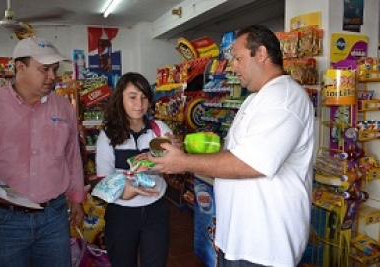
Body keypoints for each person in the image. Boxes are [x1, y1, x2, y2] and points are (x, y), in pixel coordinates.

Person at [149, 25, 315, 267]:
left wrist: (182, 162)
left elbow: (250, 163)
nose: (232, 66)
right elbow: (233, 154)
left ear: (261, 54)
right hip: (240, 242)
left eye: (237, 59)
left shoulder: (284, 98)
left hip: (265, 248)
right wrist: (225, 230)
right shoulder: (255, 99)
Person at [0, 36, 87, 267]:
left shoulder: (63, 107)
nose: (52, 76)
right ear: (20, 67)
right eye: (44, 69)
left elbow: (72, 156)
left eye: (55, 69)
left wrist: (77, 199)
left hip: (54, 216)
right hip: (4, 219)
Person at [95, 72, 181, 267]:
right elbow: (103, 179)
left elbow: (174, 169)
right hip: (121, 213)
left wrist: (177, 153)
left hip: (155, 210)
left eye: (144, 97)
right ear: (121, 100)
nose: (139, 103)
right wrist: (123, 192)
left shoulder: (159, 129)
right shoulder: (108, 135)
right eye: (132, 97)